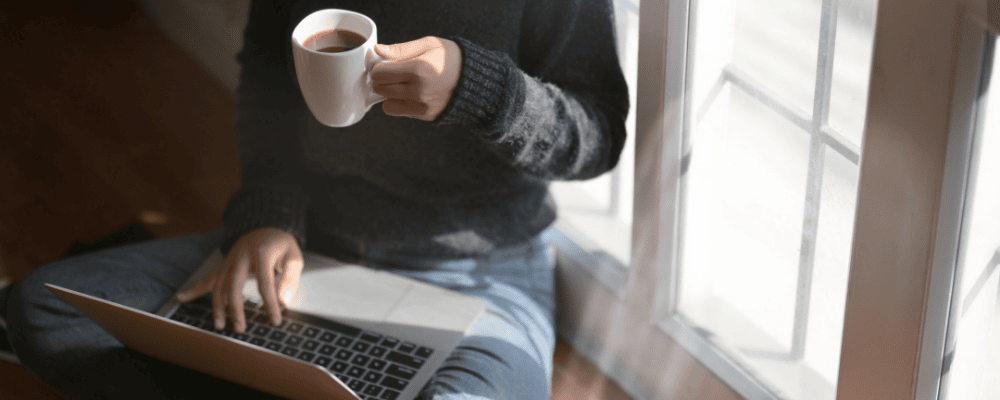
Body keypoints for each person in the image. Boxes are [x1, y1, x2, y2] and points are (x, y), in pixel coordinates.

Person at [0, 0, 629, 398]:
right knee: (44, 309)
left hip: (476, 273)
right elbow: (270, 79)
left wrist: (481, 88)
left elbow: (596, 138)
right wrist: (270, 214)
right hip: (309, 242)